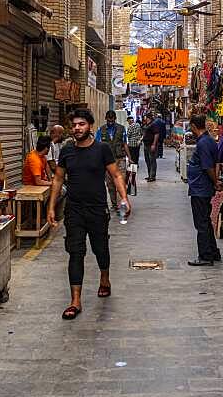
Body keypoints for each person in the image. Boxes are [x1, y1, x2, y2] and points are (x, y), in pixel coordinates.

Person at [48, 109, 130, 320]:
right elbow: (58, 179)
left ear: (90, 126)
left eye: (81, 124)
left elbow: (116, 174)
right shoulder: (66, 151)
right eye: (74, 125)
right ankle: (75, 301)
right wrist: (51, 207)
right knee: (75, 253)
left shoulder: (101, 149)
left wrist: (123, 198)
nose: (77, 128)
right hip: (74, 210)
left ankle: (104, 277)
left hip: (97, 210)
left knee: (100, 248)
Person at [186, 114, 221, 266]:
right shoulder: (209, 140)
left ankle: (206, 256)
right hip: (202, 187)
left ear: (194, 126)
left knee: (201, 223)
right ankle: (213, 252)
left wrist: (216, 182)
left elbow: (208, 166)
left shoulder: (203, 143)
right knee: (205, 221)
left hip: (201, 188)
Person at [95, 110, 130, 212]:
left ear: (115, 119)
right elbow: (97, 145)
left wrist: (130, 158)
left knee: (121, 182)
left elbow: (125, 144)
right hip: (107, 161)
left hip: (120, 159)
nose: (110, 122)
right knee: (110, 184)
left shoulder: (121, 129)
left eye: (112, 120)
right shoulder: (101, 130)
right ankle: (114, 204)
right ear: (106, 119)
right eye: (109, 120)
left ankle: (121, 204)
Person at [141, 112, 158, 182]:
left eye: (145, 117)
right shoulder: (147, 124)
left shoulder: (153, 124)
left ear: (148, 117)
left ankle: (152, 176)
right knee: (147, 160)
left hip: (151, 145)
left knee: (152, 160)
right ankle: (149, 175)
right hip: (146, 144)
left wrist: (154, 144)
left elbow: (156, 134)